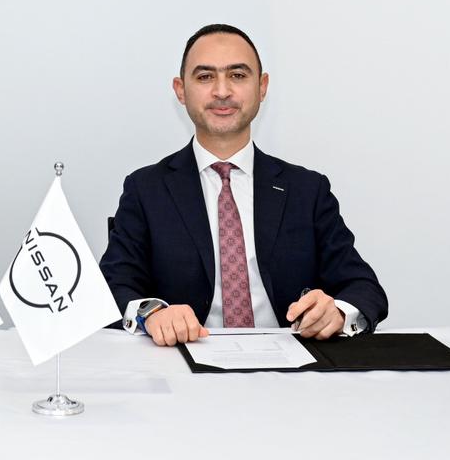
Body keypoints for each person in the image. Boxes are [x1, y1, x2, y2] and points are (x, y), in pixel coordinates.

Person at [100, 24, 388, 346]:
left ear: (262, 87)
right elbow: (112, 286)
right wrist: (152, 313)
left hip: (293, 364)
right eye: (205, 77)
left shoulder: (307, 191)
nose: (222, 91)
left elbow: (363, 287)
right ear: (180, 90)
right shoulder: (146, 190)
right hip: (186, 360)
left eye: (237, 75)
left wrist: (336, 312)